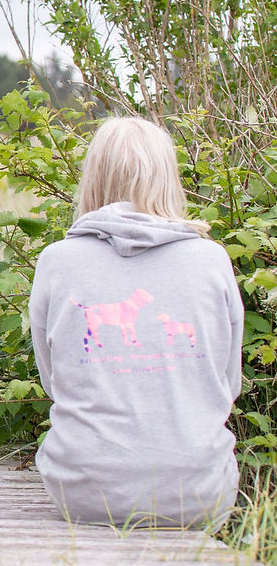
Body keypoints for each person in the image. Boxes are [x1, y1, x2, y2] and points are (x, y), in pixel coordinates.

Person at [29, 116, 243, 530]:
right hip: (198, 492)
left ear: (94, 177)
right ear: (168, 178)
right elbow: (227, 385)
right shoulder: (212, 259)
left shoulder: (56, 261)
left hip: (84, 491)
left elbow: (54, 381)